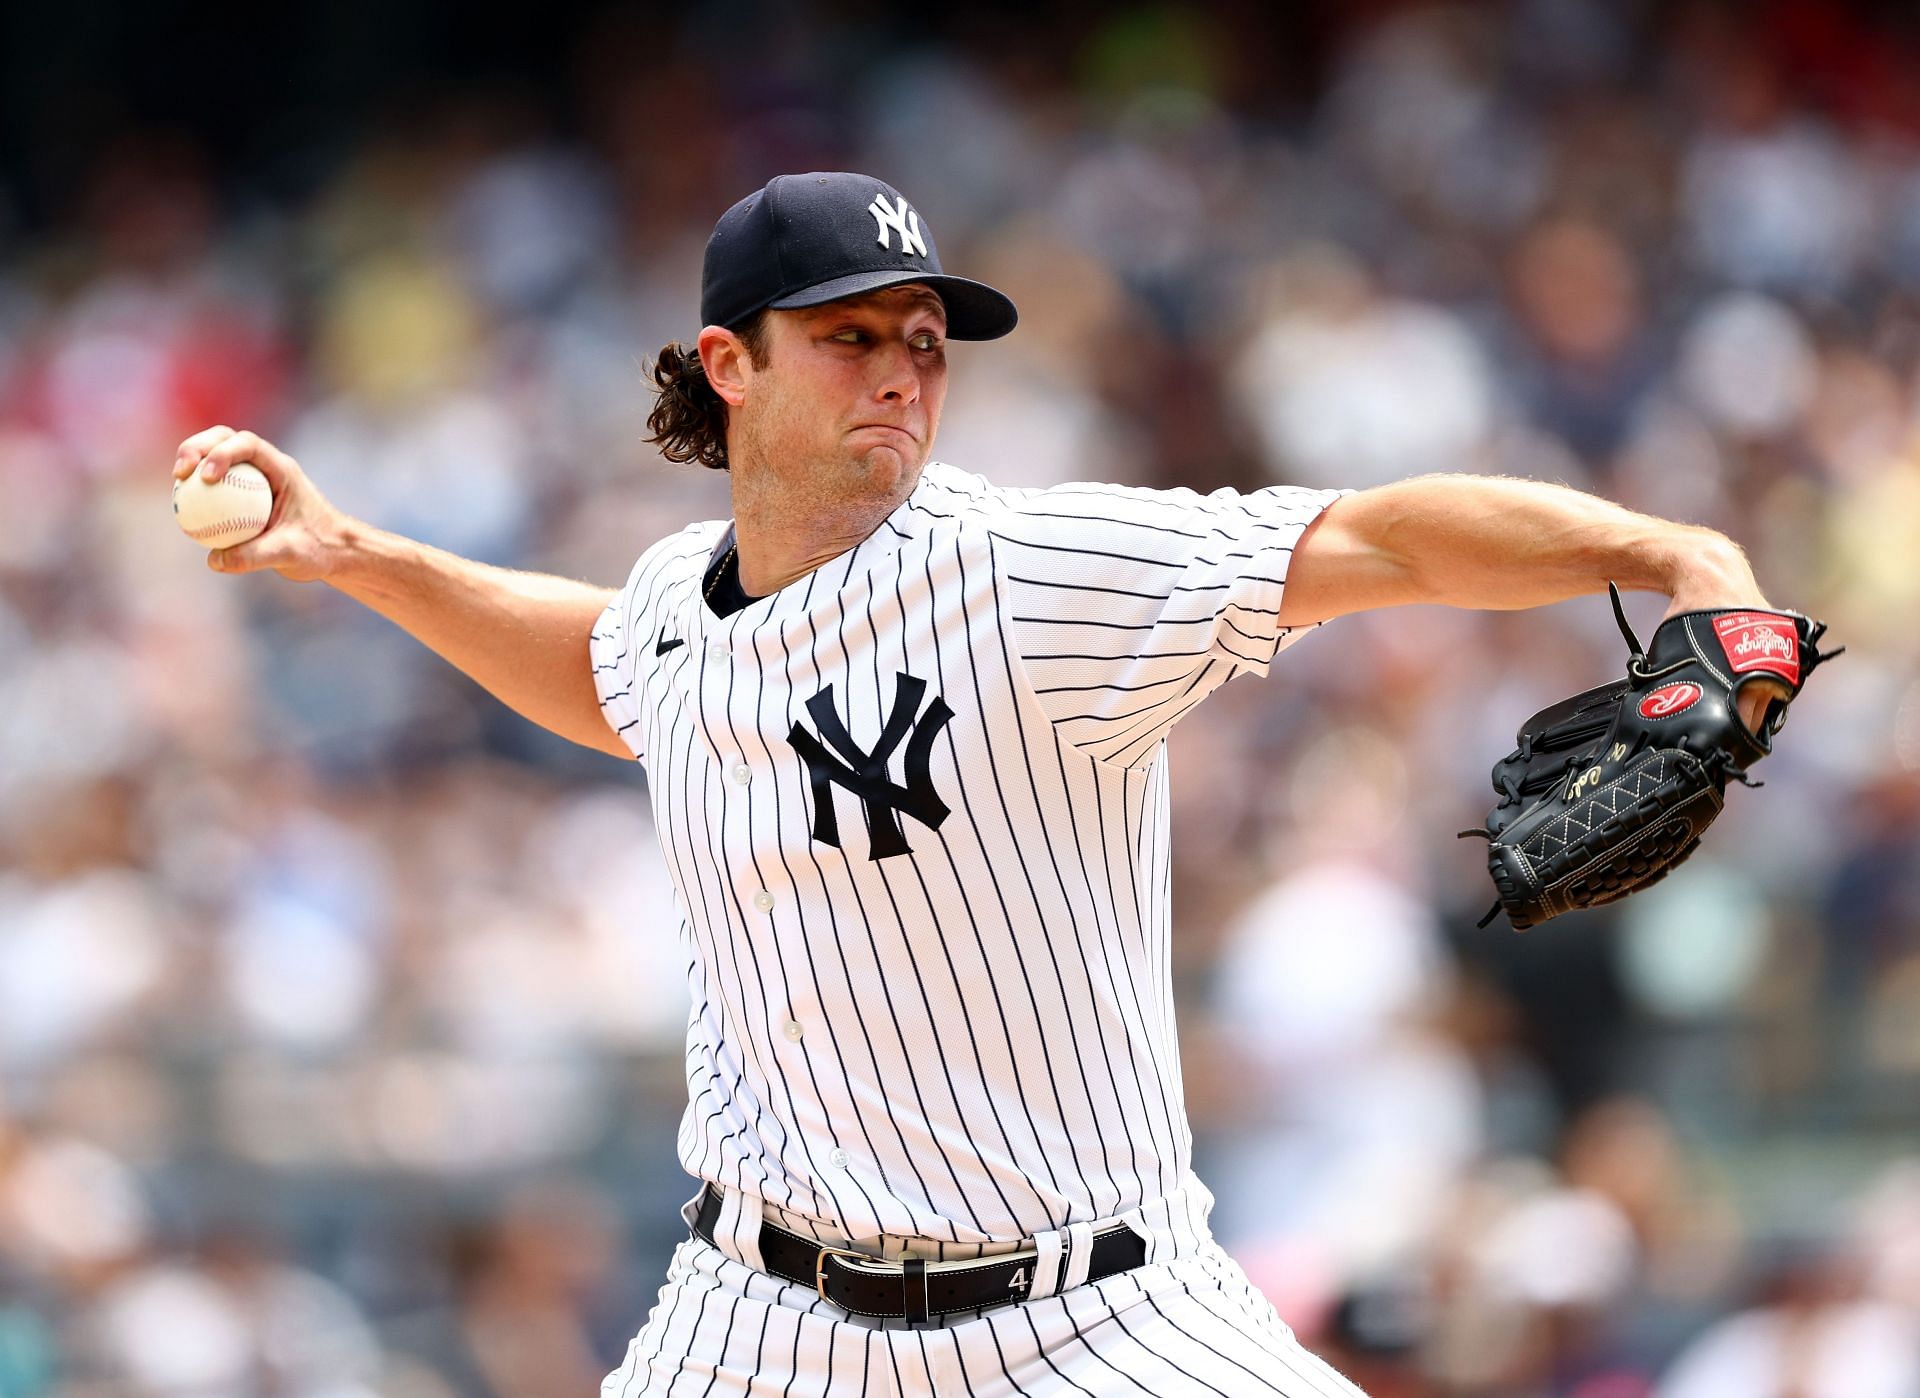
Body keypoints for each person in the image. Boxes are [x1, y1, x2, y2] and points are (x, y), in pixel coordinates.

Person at [172, 172, 1789, 1396]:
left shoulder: (1035, 571)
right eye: (851, 335)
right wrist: (350, 551)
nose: (903, 371)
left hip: (1100, 1315)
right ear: (727, 364)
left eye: (925, 342)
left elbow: (1373, 535)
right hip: (764, 1314)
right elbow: (606, 672)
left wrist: (1671, 554)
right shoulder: (679, 607)